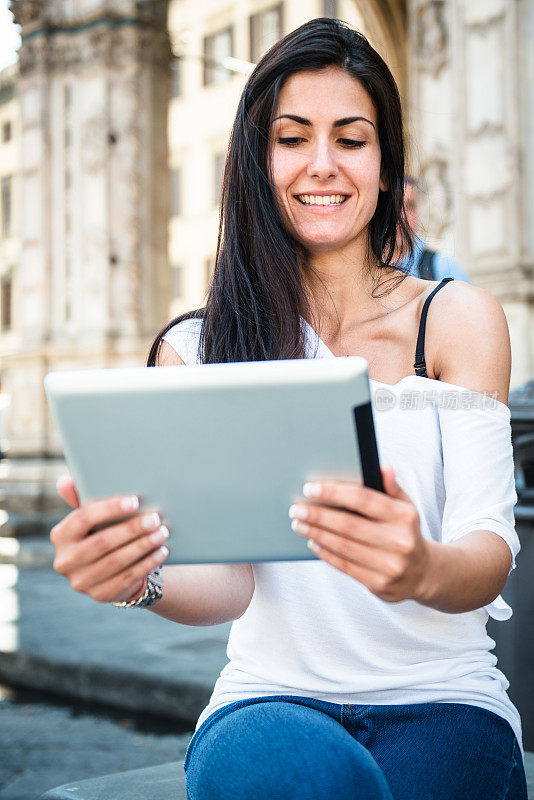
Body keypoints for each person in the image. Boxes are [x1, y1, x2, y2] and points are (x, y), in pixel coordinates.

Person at [50, 18, 527, 800]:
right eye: (293, 137)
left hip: (444, 703)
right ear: (256, 160)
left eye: (352, 138)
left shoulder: (458, 319)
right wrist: (138, 577)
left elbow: (490, 552)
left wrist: (419, 567)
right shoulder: (197, 348)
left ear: (385, 163)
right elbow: (231, 585)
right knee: (298, 775)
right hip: (267, 705)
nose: (322, 166)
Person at [400, 177, 471, 282]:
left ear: (417, 211)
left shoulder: (446, 268)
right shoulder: (370, 272)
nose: (402, 217)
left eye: (409, 206)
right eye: (394, 208)